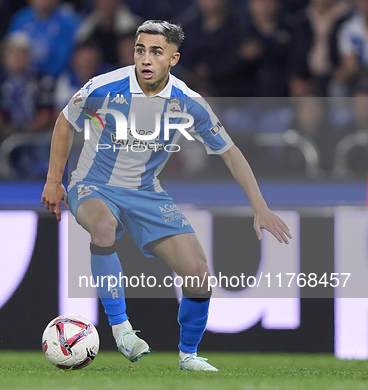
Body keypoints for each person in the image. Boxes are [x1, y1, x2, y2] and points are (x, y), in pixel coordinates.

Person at [41, 20, 292, 371]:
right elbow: (66, 121)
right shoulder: (104, 86)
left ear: (173, 58)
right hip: (93, 184)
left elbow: (230, 153)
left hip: (147, 192)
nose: (145, 59)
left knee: (198, 272)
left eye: (156, 52)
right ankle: (121, 328)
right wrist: (55, 180)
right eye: (140, 50)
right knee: (103, 225)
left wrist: (260, 206)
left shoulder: (188, 103)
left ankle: (188, 355)